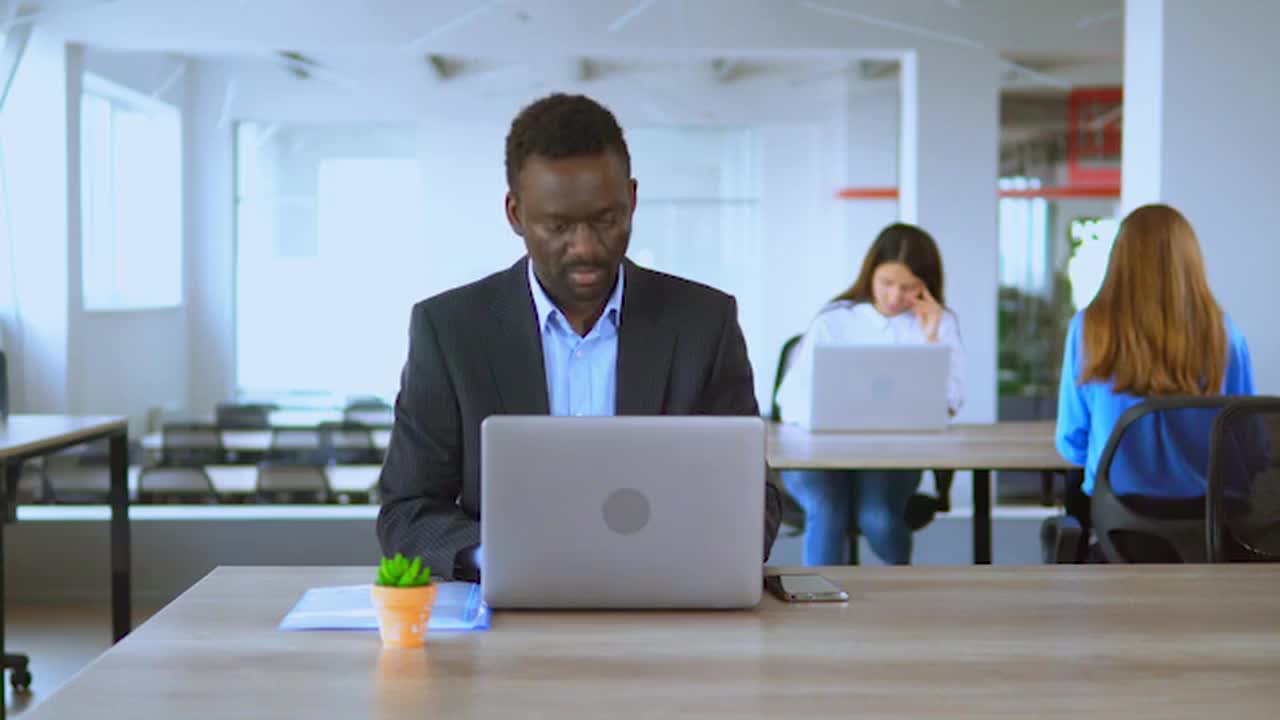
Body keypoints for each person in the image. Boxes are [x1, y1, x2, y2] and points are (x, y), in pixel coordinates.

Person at [376, 93, 782, 580]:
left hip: (663, 598)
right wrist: (498, 559)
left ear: (632, 200)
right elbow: (408, 511)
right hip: (507, 615)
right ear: (514, 214)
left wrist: (686, 555)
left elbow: (753, 499)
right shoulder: (449, 329)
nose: (586, 248)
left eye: (606, 220)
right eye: (559, 226)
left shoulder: (704, 322)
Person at [774, 224, 964, 565]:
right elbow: (788, 400)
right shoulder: (834, 320)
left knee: (877, 519)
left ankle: (900, 600)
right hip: (819, 453)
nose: (894, 297)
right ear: (870, 275)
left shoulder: (939, 322)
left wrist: (931, 336)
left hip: (891, 454)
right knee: (827, 508)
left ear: (926, 286)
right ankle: (820, 605)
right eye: (887, 283)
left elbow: (949, 404)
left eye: (908, 288)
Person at [1055, 204, 1254, 508]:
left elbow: (1072, 443)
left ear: (1119, 260)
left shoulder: (1088, 329)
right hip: (1212, 526)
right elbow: (1251, 443)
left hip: (1120, 523)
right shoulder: (1225, 334)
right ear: (1190, 263)